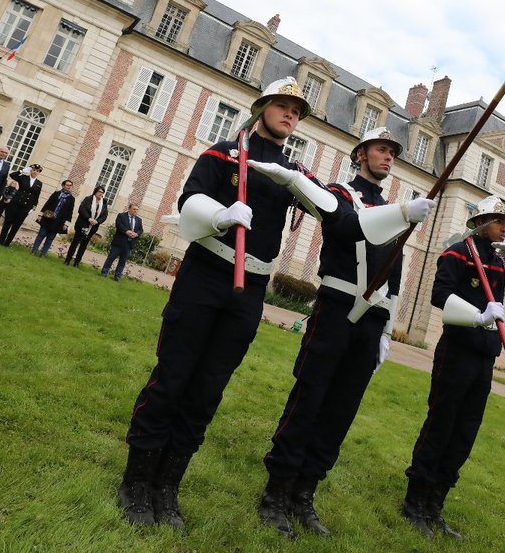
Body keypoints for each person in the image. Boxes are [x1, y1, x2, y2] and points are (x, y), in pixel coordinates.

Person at [116, 77, 338, 531]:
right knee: (173, 376)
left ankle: (167, 486)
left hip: (251, 286)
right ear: (262, 108)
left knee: (208, 389)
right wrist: (220, 215)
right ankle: (136, 482)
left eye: (297, 111)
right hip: (207, 274)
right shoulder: (223, 151)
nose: (291, 115)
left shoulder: (295, 172)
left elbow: (332, 210)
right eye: (283, 106)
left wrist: (299, 181)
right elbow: (189, 198)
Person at [258, 127, 435, 538]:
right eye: (381, 150)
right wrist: (404, 214)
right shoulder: (339, 193)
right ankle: (276, 492)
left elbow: (395, 275)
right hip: (336, 310)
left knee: (341, 409)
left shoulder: (394, 209)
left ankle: (305, 492)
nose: (388, 157)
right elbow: (345, 227)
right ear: (360, 155)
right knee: (310, 399)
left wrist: (387, 330)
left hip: (371, 323)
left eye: (393, 152)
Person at [402, 196, 505, 539]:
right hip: (457, 350)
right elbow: (439, 295)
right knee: (441, 425)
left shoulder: (502, 263)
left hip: (485, 356)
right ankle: (414, 502)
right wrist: (477, 316)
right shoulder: (457, 252)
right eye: (500, 221)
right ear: (481, 222)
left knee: (465, 432)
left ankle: (435, 505)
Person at [0, 164, 43, 246]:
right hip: (15, 203)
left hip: (26, 207)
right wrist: (22, 171)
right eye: (33, 170)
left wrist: (33, 207)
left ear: (39, 172)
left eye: (37, 171)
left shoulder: (39, 183)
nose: (35, 172)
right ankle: (1, 240)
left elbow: (36, 196)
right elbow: (12, 175)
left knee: (16, 225)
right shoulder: (23, 177)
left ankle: (7, 242)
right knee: (8, 222)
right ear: (30, 170)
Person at [65, 186, 108, 266]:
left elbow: (104, 215)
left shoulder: (104, 202)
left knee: (84, 245)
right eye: (99, 191)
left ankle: (77, 262)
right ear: (95, 191)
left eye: (102, 192)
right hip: (82, 224)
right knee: (75, 242)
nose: (100, 194)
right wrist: (89, 218)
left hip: (92, 227)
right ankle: (68, 259)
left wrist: (97, 221)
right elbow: (81, 209)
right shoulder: (88, 199)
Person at [31, 179, 76, 256]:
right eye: (67, 185)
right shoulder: (56, 193)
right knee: (41, 235)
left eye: (70, 185)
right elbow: (47, 203)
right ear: (63, 185)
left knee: (50, 238)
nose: (69, 187)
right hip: (47, 218)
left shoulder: (71, 199)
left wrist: (66, 223)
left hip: (58, 221)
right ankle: (34, 251)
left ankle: (43, 254)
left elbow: (70, 212)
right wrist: (40, 214)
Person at [101, 202, 141, 281]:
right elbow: (118, 225)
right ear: (129, 209)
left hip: (129, 244)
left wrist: (136, 234)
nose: (136, 211)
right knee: (111, 258)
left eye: (137, 210)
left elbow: (141, 229)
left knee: (122, 261)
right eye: (134, 209)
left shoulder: (139, 220)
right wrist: (126, 231)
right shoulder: (121, 216)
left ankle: (117, 276)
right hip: (119, 242)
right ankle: (104, 272)